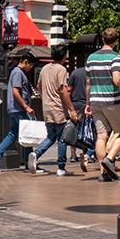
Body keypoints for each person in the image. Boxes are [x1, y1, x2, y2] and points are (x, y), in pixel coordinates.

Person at [85, 28, 120, 181]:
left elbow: (88, 83)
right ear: (116, 41)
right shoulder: (115, 57)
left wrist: (88, 102)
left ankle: (103, 173)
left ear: (103, 39)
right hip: (112, 101)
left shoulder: (91, 58)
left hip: (95, 101)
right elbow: (117, 80)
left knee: (101, 136)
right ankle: (109, 159)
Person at [30, 46, 78, 176]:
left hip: (46, 108)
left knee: (51, 137)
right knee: (62, 138)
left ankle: (36, 153)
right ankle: (61, 167)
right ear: (63, 56)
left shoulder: (45, 68)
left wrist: (47, 95)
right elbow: (63, 90)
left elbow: (38, 86)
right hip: (58, 108)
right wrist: (71, 109)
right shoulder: (61, 69)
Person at [0, 56, 35, 173]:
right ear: (26, 62)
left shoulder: (15, 72)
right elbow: (15, 91)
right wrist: (26, 107)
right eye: (31, 65)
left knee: (12, 135)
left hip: (14, 109)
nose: (31, 68)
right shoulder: (18, 73)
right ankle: (29, 164)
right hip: (19, 109)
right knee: (27, 135)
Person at [66, 59, 91, 169]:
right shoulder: (91, 74)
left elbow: (69, 89)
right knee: (87, 129)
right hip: (87, 104)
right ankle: (86, 153)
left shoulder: (75, 73)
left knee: (74, 128)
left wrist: (69, 106)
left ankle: (73, 155)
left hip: (75, 103)